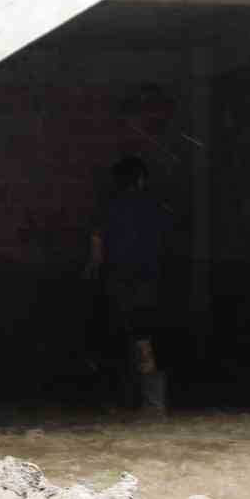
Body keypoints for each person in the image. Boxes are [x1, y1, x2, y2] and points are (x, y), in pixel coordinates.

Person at [84, 156, 169, 412]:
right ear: (142, 179)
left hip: (116, 281)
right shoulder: (155, 208)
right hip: (147, 282)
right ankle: (153, 405)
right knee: (143, 338)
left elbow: (97, 251)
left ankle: (116, 403)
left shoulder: (107, 207)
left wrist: (90, 275)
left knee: (116, 338)